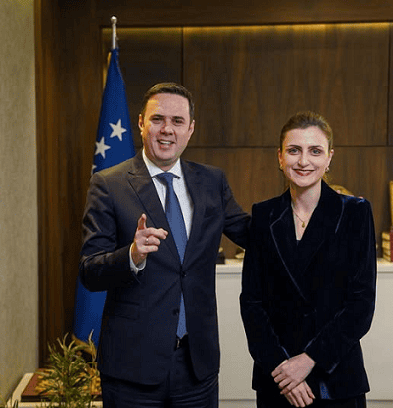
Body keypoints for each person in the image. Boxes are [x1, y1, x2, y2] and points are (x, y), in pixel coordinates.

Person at [79, 82, 250, 407]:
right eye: (158, 119)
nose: (167, 129)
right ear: (141, 123)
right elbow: (89, 271)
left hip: (196, 365)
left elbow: (250, 233)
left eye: (177, 121)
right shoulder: (109, 184)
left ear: (190, 129)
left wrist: (302, 204)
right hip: (131, 368)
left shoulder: (212, 181)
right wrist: (131, 255)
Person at [240, 111, 376, 408]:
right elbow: (251, 303)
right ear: (280, 157)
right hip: (278, 378)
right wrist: (283, 369)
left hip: (336, 379)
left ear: (329, 158)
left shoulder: (355, 213)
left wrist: (309, 360)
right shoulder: (263, 215)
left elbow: (361, 305)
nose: (303, 161)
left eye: (315, 151)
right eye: (294, 150)